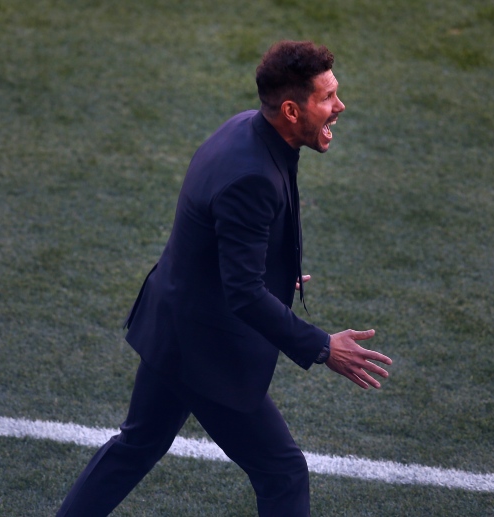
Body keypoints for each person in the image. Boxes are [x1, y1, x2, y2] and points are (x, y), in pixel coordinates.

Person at [56, 40, 392, 516]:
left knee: (136, 447)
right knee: (283, 472)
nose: (340, 107)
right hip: (205, 352)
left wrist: (274, 272)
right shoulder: (252, 176)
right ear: (292, 110)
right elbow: (243, 295)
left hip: (173, 324)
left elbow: (218, 245)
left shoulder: (247, 129)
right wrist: (322, 347)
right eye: (327, 98)